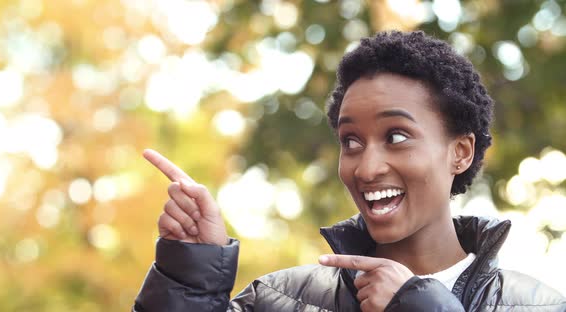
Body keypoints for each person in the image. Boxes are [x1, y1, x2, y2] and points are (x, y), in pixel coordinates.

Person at [132, 31, 566, 311]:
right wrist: (189, 274)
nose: (367, 167)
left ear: (461, 152)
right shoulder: (279, 298)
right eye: (351, 142)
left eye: (396, 136)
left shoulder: (538, 305)